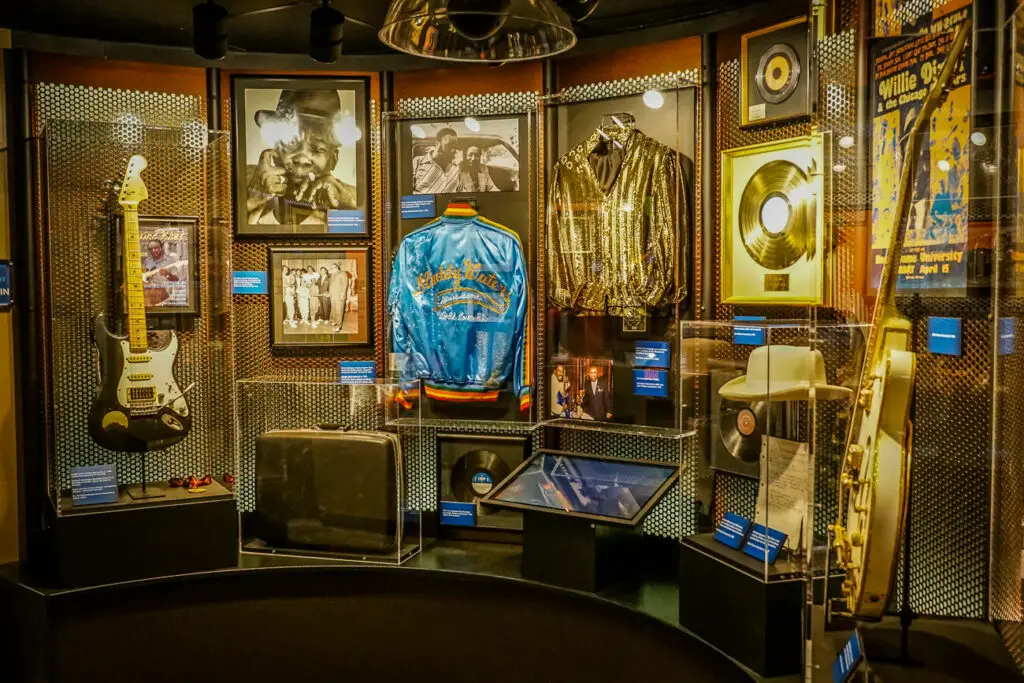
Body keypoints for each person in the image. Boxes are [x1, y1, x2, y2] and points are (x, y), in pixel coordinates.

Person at [247, 89, 358, 226]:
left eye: (317, 148)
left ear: (333, 160)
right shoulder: (245, 184)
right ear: (275, 150)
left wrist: (347, 206)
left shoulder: (348, 204)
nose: (302, 159)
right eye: (291, 142)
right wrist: (252, 199)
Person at [412, 127, 460, 194]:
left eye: (455, 147)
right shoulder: (417, 162)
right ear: (437, 144)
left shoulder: (456, 168)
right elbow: (407, 191)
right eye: (449, 145)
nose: (453, 150)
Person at [141, 239, 181, 307]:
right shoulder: (147, 261)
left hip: (164, 298)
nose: (153, 251)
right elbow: (144, 278)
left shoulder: (171, 261)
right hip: (149, 297)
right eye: (151, 249)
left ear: (161, 247)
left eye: (155, 248)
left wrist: (167, 274)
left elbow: (176, 279)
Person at [328, 263, 350, 333]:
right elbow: (331, 286)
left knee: (339, 311)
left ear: (337, 267)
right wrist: (329, 293)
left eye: (332, 268)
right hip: (333, 296)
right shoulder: (332, 275)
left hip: (339, 296)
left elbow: (345, 284)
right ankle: (335, 321)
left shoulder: (342, 273)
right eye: (331, 268)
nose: (331, 269)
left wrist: (343, 294)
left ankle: (339, 326)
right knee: (334, 310)